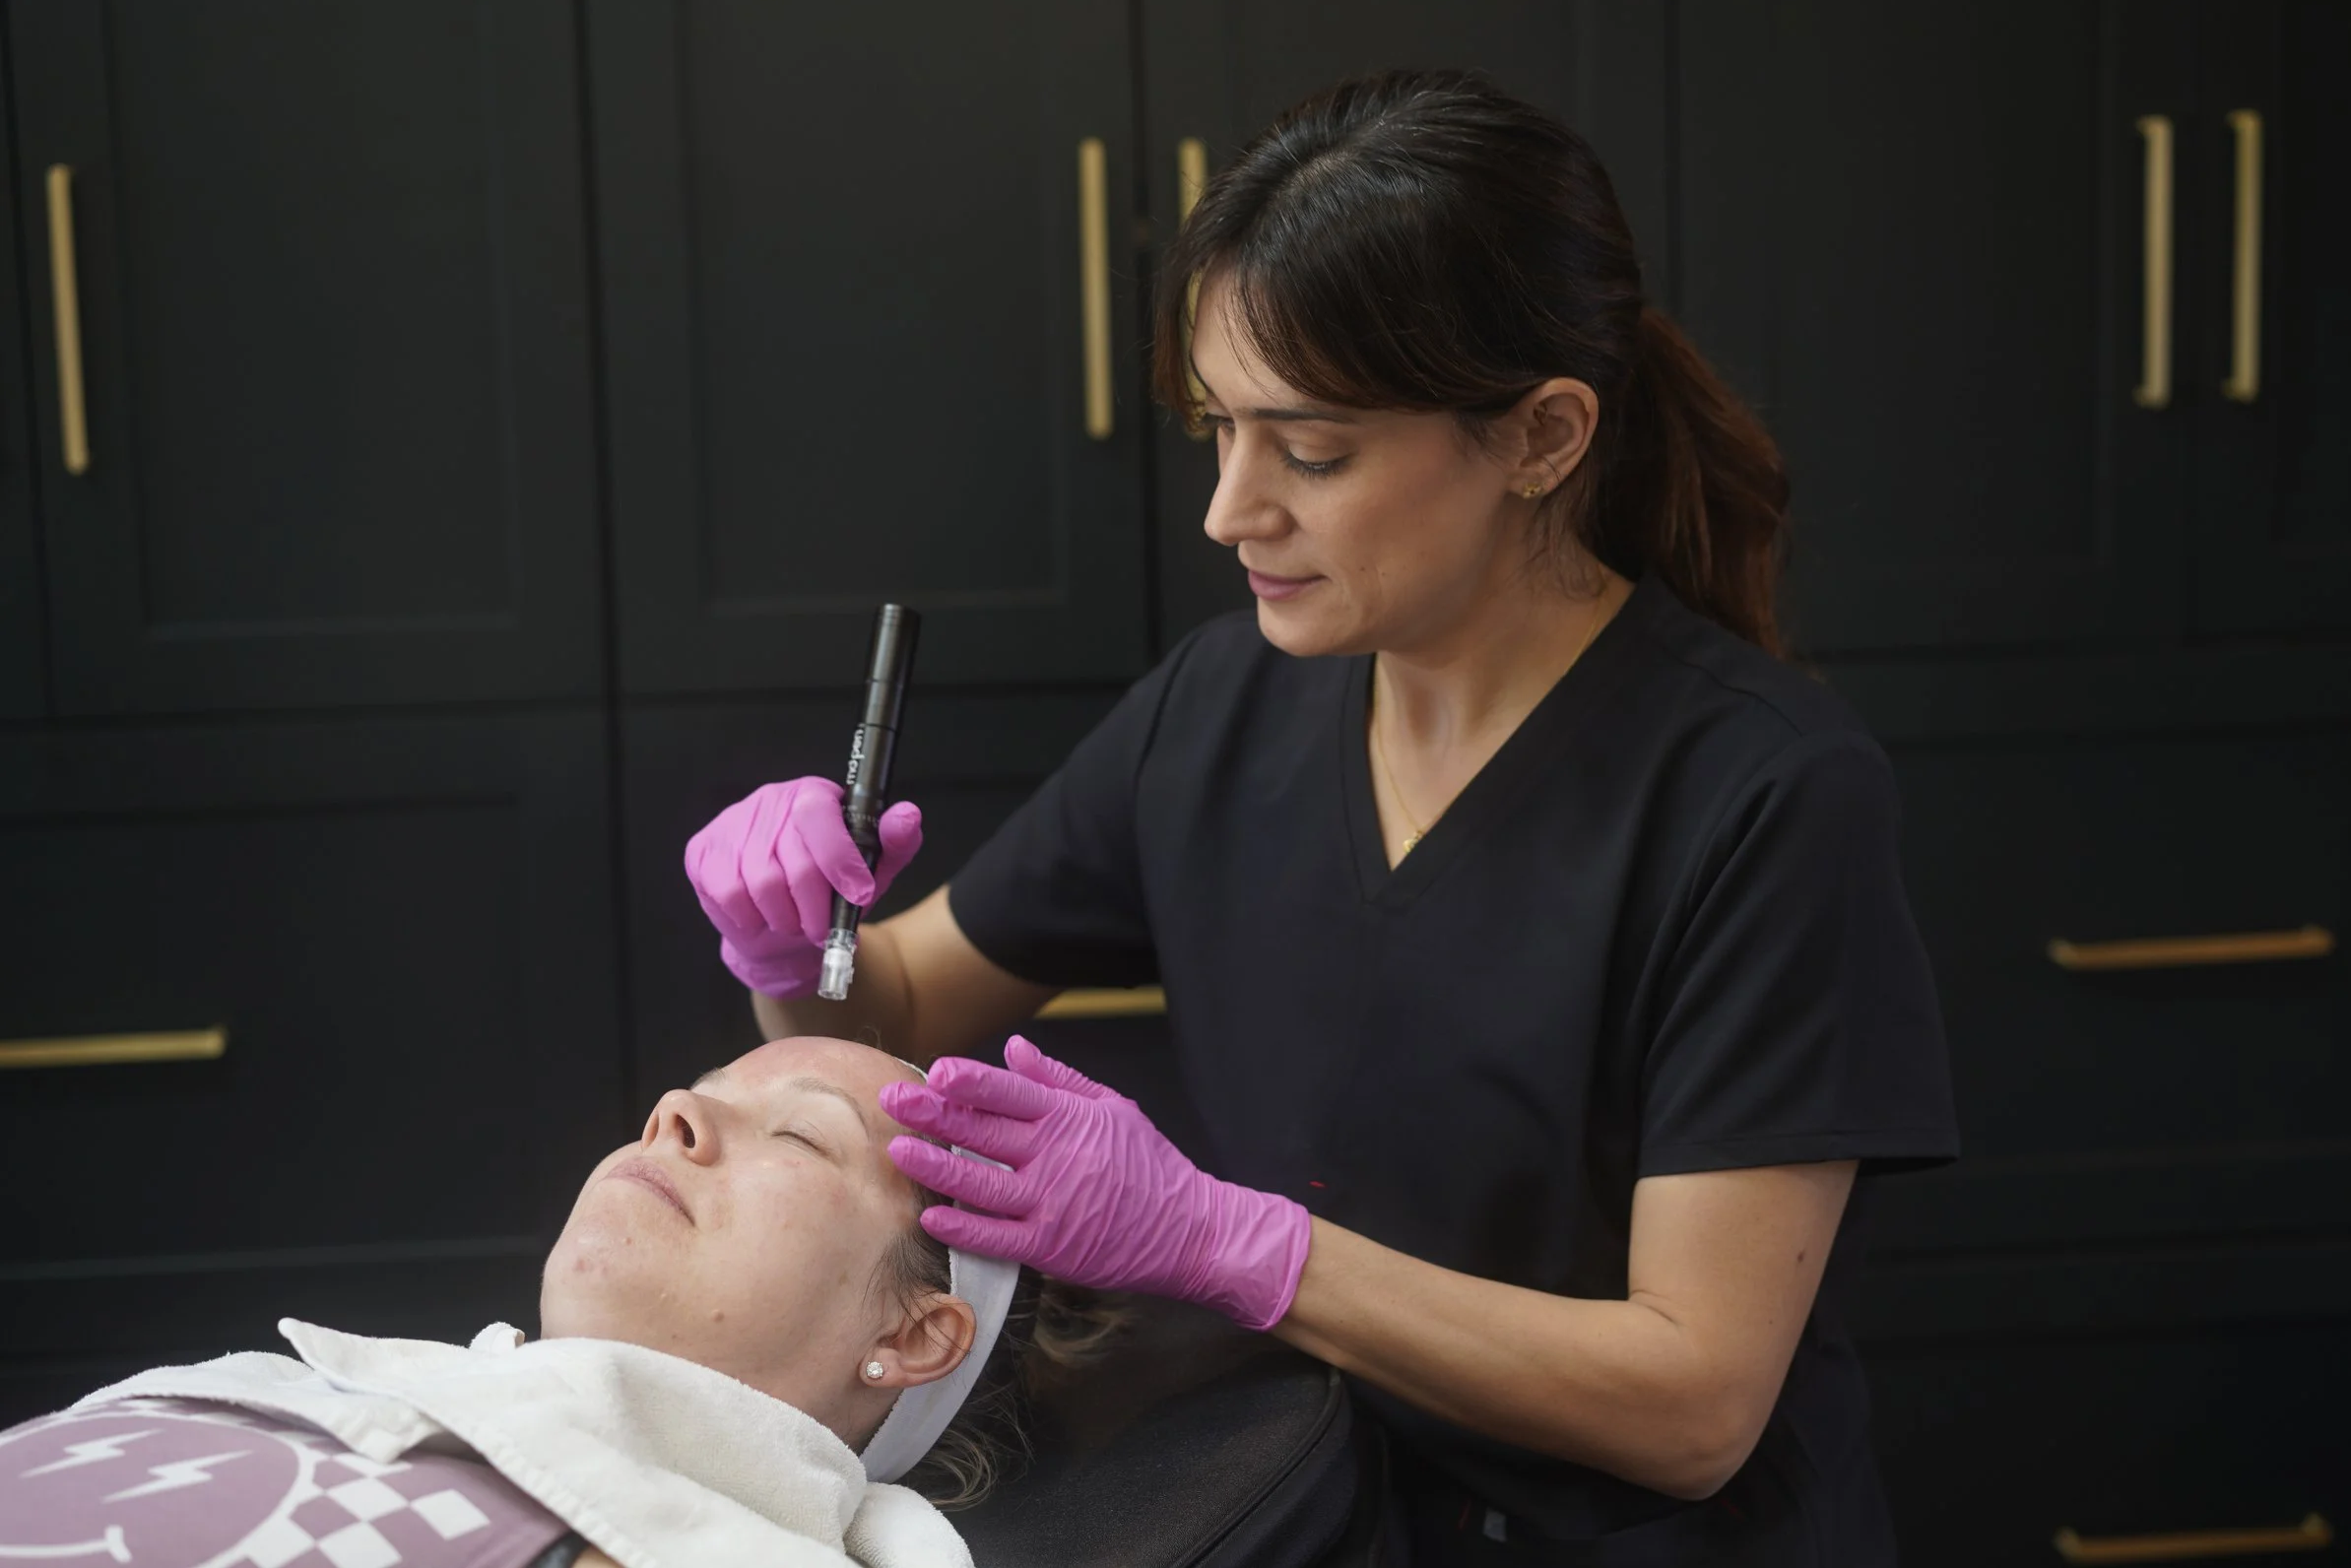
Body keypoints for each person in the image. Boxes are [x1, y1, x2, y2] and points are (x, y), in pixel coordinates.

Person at [683, 68, 1958, 1566]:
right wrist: (794, 950)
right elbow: (896, 1011)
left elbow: (1693, 1402)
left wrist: (1235, 1246)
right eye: (1217, 429)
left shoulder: (1760, 794)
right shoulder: (1219, 707)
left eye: (1311, 451)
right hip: (1308, 1510)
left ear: (1541, 436)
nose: (1229, 510)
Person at [0, 1038, 1101, 1568]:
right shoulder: (314, 1393)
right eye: (700, 1091)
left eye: (802, 1134)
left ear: (912, 1333)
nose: (669, 1111)